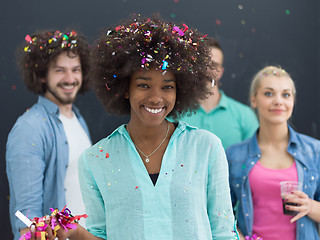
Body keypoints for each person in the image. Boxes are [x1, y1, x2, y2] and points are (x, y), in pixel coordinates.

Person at [26, 14, 238, 240]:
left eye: (167, 87)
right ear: (125, 88)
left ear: (180, 90)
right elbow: (102, 234)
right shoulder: (96, 160)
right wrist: (75, 233)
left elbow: (223, 233)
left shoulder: (206, 147)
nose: (156, 98)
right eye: (144, 85)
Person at [6, 29, 92, 239]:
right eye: (60, 70)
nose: (70, 78)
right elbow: (27, 220)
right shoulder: (30, 128)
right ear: (43, 75)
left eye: (75, 69)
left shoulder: (78, 119)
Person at [226, 66, 320, 240]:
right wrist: (240, 237)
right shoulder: (234, 155)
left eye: (286, 94)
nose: (278, 101)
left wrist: (310, 206)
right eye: (268, 93)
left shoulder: (315, 151)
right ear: (253, 99)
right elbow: (221, 213)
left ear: (293, 101)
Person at [178, 38, 258, 149]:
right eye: (202, 63)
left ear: (221, 72)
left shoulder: (245, 116)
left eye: (213, 65)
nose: (206, 70)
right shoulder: (175, 113)